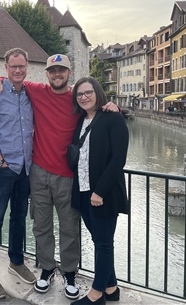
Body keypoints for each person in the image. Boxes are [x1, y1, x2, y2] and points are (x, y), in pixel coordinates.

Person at [0, 54, 119, 299]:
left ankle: (69, 273)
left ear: (69, 73)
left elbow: (98, 108)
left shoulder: (78, 98)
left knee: (69, 226)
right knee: (41, 224)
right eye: (52, 71)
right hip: (38, 171)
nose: (57, 74)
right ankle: (47, 269)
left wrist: (113, 106)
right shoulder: (37, 90)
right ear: (46, 74)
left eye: (62, 70)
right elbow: (14, 78)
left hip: (68, 176)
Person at [0, 48, 36, 299]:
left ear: (27, 67)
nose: (17, 70)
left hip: (25, 167)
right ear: (6, 68)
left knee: (19, 218)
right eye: (13, 66)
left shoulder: (30, 94)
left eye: (21, 66)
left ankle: (15, 261)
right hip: (4, 168)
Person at [70, 77, 129, 305]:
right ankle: (111, 289)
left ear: (98, 92)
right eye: (79, 94)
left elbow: (118, 159)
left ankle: (96, 295)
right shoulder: (81, 121)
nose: (84, 97)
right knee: (99, 240)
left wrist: (100, 191)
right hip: (83, 192)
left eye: (88, 92)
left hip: (103, 194)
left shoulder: (113, 118)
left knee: (104, 244)